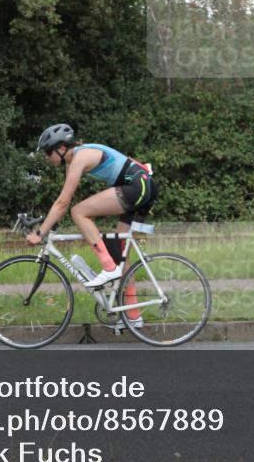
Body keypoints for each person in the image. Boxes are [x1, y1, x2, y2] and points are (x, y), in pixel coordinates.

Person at [26, 123, 158, 324]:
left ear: (61, 148)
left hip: (136, 186)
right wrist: (51, 222)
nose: (46, 157)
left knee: (78, 211)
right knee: (120, 251)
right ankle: (133, 316)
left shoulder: (80, 158)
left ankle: (108, 268)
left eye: (47, 152)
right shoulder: (75, 159)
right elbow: (63, 199)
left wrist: (40, 233)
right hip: (143, 185)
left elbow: (63, 203)